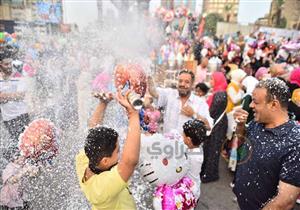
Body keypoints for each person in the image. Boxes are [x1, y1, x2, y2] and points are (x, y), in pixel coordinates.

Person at [233, 78, 300, 210]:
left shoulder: (295, 141)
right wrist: (240, 126)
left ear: (274, 105)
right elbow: (242, 143)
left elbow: (284, 202)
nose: (251, 105)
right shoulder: (257, 122)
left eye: (255, 102)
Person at [75, 89, 141, 210]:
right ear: (105, 161)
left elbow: (93, 130)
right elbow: (129, 161)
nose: (121, 154)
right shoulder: (101, 188)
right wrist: (133, 115)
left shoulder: (84, 161)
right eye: (117, 151)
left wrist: (103, 103)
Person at [148, 69, 213, 133]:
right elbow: (153, 92)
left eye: (187, 82)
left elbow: (208, 126)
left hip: (186, 143)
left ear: (192, 85)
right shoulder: (170, 94)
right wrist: (148, 75)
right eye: (180, 81)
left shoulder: (200, 103)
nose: (182, 84)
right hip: (167, 142)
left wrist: (194, 114)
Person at [0, 52, 30, 158]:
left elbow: (21, 95)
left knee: (25, 141)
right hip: (8, 117)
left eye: (10, 63)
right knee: (15, 141)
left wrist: (4, 96)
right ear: (0, 65)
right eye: (6, 64)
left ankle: (26, 164)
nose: (9, 66)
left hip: (22, 113)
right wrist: (12, 95)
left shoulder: (18, 74)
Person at [201, 72, 228, 183]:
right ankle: (206, 171)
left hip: (218, 125)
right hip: (217, 124)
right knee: (209, 148)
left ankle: (211, 174)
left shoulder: (220, 94)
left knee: (213, 149)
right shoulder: (218, 91)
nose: (211, 82)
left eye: (212, 79)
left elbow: (212, 111)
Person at [183, 119, 207, 199]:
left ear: (189, 140)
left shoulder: (193, 157)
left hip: (188, 191)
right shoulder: (198, 146)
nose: (182, 135)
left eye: (183, 135)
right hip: (194, 186)